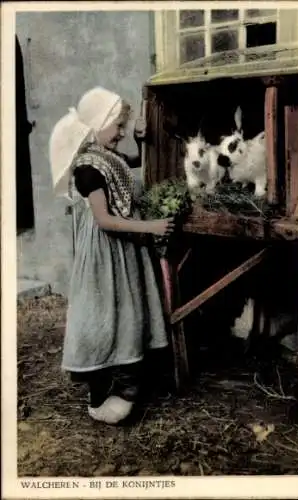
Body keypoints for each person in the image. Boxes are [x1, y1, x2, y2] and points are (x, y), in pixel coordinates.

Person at [49, 87, 175, 425]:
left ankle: (126, 379)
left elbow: (133, 163)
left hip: (123, 248)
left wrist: (137, 139)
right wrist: (150, 227)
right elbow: (104, 221)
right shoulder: (88, 168)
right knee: (103, 315)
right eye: (117, 126)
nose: (120, 133)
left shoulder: (106, 156)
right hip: (106, 251)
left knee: (126, 312)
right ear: (97, 123)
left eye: (122, 127)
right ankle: (100, 393)